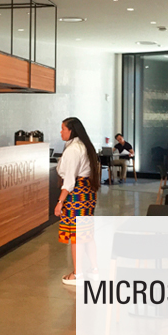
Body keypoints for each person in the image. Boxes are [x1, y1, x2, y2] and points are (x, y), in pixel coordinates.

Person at [56, 117, 100, 285]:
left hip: (77, 195)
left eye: (63, 129)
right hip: (87, 194)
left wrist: (60, 201)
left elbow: (69, 180)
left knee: (76, 235)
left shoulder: (74, 149)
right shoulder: (84, 146)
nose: (61, 132)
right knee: (86, 234)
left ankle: (78, 273)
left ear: (71, 130)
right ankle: (94, 270)